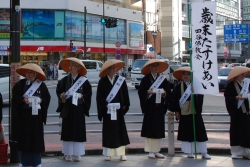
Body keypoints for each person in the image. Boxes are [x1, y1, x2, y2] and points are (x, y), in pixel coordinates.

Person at [12, 63, 51, 167]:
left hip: (36, 118)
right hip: (24, 117)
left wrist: (41, 100)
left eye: (31, 72)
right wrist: (22, 99)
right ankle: (24, 162)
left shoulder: (41, 85)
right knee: (24, 140)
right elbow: (15, 97)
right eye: (27, 72)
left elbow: (47, 97)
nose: (28, 74)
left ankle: (37, 162)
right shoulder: (20, 84)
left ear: (35, 73)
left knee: (36, 140)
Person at [56, 57, 92, 162]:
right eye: (70, 65)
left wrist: (82, 96)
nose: (70, 67)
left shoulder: (84, 81)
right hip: (68, 109)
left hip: (78, 109)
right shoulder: (64, 80)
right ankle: (68, 154)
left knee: (78, 131)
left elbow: (88, 93)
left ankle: (77, 154)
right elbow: (59, 91)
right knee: (67, 131)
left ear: (78, 67)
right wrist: (61, 95)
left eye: (72, 65)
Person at [171, 67, 210, 159]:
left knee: (199, 132)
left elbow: (200, 98)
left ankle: (203, 152)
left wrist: (196, 94)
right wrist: (176, 111)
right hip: (184, 112)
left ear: (191, 76)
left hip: (195, 112)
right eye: (183, 74)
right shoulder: (178, 87)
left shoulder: (196, 86)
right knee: (186, 133)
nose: (185, 76)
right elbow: (174, 100)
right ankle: (189, 152)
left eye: (187, 74)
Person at [96, 59, 130, 161]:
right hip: (108, 111)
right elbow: (99, 97)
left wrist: (125, 105)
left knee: (120, 131)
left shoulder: (121, 80)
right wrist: (104, 105)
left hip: (118, 111)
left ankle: (122, 153)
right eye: (112, 67)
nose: (114, 69)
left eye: (115, 67)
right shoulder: (102, 82)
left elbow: (125, 94)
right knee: (109, 131)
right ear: (108, 69)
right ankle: (108, 153)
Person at [138, 59, 171, 159]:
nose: (156, 68)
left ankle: (156, 150)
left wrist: (165, 93)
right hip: (150, 108)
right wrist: (148, 92)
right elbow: (141, 92)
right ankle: (150, 151)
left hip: (159, 107)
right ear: (150, 68)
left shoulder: (163, 79)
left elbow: (168, 92)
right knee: (150, 129)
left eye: (157, 66)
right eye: (154, 66)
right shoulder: (145, 79)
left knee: (158, 129)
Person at [224, 66, 250, 159]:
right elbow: (227, 97)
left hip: (246, 112)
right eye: (241, 74)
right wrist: (236, 97)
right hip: (236, 112)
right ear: (237, 76)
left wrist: (247, 96)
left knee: (246, 132)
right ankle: (235, 152)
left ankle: (246, 152)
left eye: (243, 74)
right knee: (236, 131)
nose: (243, 76)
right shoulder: (230, 86)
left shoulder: (246, 84)